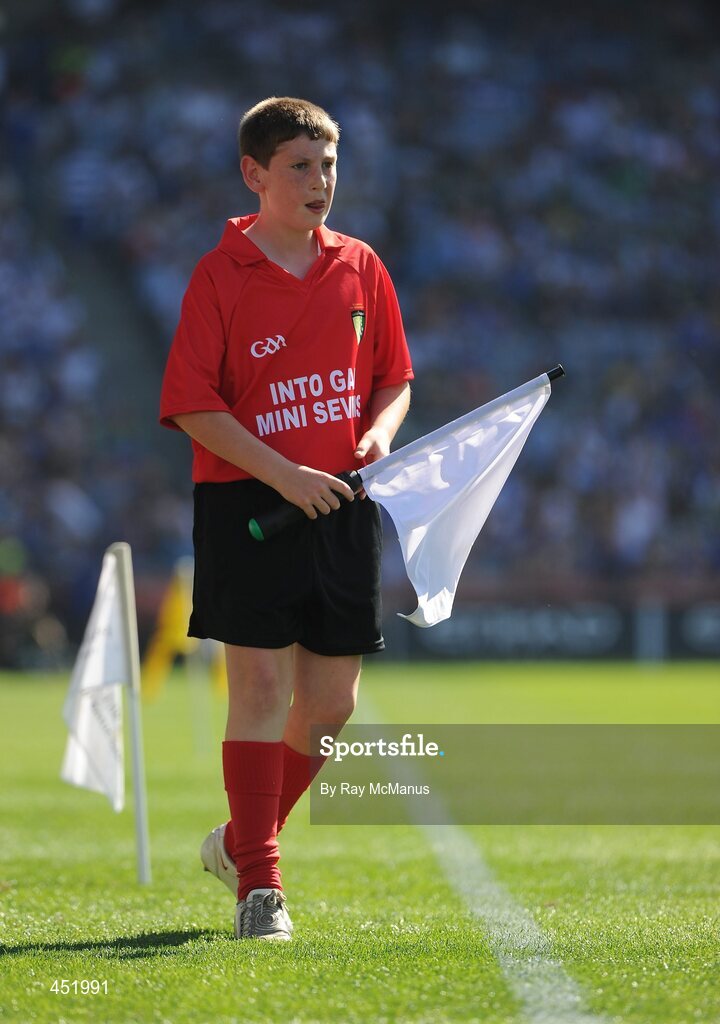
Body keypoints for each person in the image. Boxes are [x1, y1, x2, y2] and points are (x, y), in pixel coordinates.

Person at [160, 96, 413, 940]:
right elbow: (194, 406)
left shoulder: (361, 265)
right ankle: (260, 888)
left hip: (341, 503)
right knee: (262, 689)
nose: (320, 182)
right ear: (255, 174)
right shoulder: (217, 275)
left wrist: (377, 433)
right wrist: (284, 473)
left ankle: (238, 840)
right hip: (247, 506)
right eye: (300, 167)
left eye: (329, 165)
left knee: (332, 706)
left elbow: (393, 377)